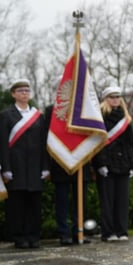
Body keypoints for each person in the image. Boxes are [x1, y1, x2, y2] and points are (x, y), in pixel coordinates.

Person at [0, 80, 49, 248]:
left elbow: (44, 143)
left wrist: (46, 166)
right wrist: (5, 167)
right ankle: (19, 237)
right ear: (13, 94)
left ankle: (33, 236)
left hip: (35, 168)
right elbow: (1, 143)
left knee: (34, 204)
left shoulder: (38, 116)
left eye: (27, 90)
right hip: (15, 167)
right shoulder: (6, 115)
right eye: (20, 91)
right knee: (16, 205)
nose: (24, 93)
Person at [93, 86, 133, 242]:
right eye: (112, 97)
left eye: (118, 96)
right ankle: (108, 232)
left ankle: (122, 231)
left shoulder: (125, 119)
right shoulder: (100, 117)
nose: (115, 100)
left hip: (123, 163)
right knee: (107, 200)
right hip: (107, 164)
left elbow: (131, 144)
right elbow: (97, 142)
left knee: (122, 200)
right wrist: (101, 163)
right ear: (106, 99)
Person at [43, 104, 92, 245]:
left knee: (80, 200)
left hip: (81, 161)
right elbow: (48, 137)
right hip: (60, 161)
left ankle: (79, 231)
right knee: (62, 201)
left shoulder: (84, 107)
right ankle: (63, 233)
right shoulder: (53, 109)